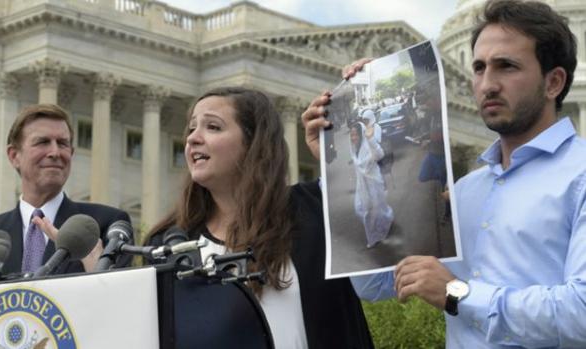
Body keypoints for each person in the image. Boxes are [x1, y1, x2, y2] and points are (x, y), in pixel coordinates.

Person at [302, 0, 586, 347]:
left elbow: (581, 314)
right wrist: (338, 170)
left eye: (506, 67)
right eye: (479, 68)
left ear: (553, 82)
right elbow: (377, 285)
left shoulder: (579, 174)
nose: (487, 84)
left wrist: (457, 294)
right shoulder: (466, 191)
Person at [146, 87, 373, 349]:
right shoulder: (169, 243)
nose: (192, 139)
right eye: (191, 128)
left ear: (253, 143)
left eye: (212, 127)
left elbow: (389, 225)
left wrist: (365, 79)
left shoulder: (315, 209)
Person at [0, 104, 131, 276]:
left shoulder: (108, 225)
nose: (55, 152)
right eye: (43, 142)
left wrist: (96, 270)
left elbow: (121, 298)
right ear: (14, 156)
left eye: (62, 143)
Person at [349, 116, 393, 248]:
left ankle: (381, 229)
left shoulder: (369, 144)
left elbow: (379, 154)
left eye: (356, 135)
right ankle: (373, 236)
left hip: (374, 182)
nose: (353, 138)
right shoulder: (354, 148)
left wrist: (370, 138)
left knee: (380, 210)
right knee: (360, 208)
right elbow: (358, 164)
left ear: (361, 135)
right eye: (351, 135)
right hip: (361, 184)